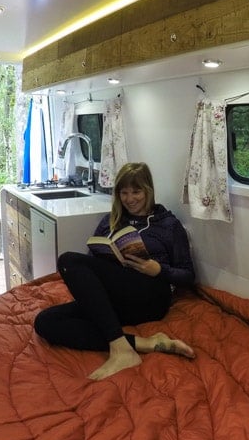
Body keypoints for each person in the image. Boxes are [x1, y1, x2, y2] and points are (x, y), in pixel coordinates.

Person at [34, 162, 196, 380]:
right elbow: (91, 264)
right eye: (124, 193)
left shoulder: (168, 224)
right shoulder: (110, 221)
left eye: (136, 191)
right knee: (45, 322)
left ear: (148, 190)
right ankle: (139, 343)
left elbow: (188, 275)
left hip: (151, 295)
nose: (130, 199)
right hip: (117, 299)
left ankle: (121, 349)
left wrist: (158, 270)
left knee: (68, 260)